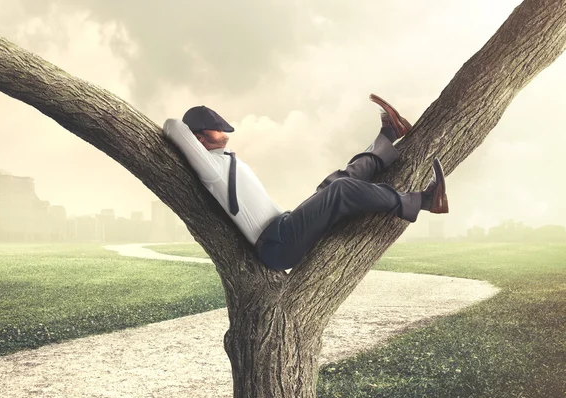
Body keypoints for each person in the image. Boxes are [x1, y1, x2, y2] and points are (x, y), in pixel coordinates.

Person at [163, 95, 448, 271]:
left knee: (337, 181)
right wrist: (190, 127)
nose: (222, 128)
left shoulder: (221, 158)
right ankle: (422, 201)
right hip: (277, 245)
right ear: (198, 138)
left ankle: (387, 136)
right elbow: (172, 125)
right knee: (340, 191)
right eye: (214, 126)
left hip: (285, 225)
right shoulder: (209, 167)